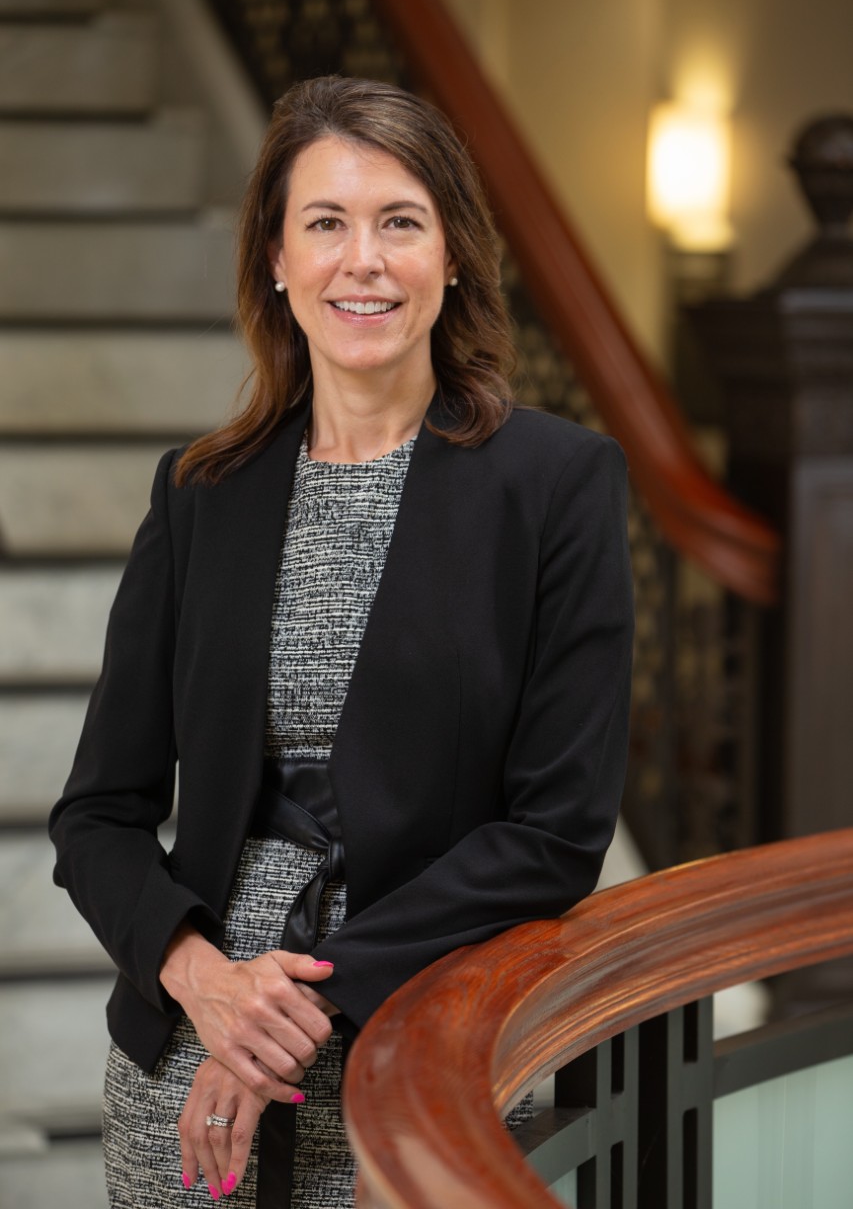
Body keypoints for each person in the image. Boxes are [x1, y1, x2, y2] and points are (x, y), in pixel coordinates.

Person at [49, 75, 634, 1207]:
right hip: (184, 1060)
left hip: (425, 1057)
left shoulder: (555, 486)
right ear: (276, 260)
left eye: (399, 222)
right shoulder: (199, 493)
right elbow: (97, 813)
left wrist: (290, 1008)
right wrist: (200, 978)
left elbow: (556, 831)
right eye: (325, 223)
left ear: (452, 255)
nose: (361, 260)